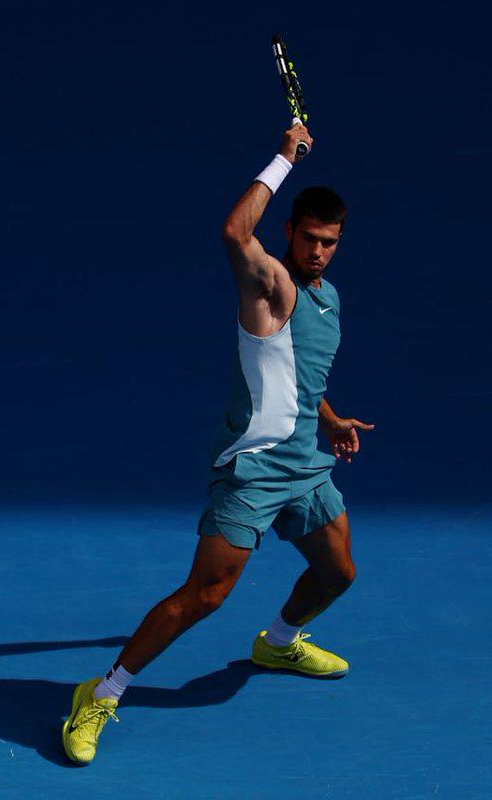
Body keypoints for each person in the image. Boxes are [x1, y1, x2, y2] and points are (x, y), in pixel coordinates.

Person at [61, 121, 375, 765]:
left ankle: (277, 643)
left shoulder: (330, 299)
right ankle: (102, 692)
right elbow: (234, 232)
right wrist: (284, 158)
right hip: (254, 470)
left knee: (337, 572)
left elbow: (301, 376)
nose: (319, 252)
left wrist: (330, 419)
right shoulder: (270, 286)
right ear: (289, 232)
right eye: (309, 239)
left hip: (306, 465)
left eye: (330, 242)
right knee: (206, 594)